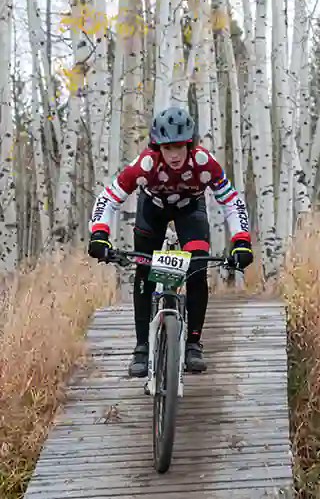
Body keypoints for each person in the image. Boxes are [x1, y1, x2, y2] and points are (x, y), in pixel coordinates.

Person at [88, 107, 253, 377]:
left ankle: (193, 345)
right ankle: (142, 347)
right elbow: (109, 198)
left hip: (190, 210)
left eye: (179, 147)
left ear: (190, 144)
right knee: (145, 270)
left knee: (196, 268)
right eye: (167, 148)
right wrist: (99, 234)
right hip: (152, 210)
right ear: (157, 147)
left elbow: (232, 202)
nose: (174, 155)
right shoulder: (145, 164)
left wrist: (242, 241)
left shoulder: (204, 163)